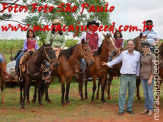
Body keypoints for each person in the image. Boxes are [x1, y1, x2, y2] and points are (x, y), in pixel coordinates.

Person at [102, 40, 140, 115]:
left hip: (133, 76)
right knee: (122, 93)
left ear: (134, 46)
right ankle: (121, 109)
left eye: (131, 45)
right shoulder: (123, 54)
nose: (129, 46)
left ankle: (129, 108)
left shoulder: (137, 54)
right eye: (128, 44)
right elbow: (116, 60)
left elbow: (138, 65)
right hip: (124, 76)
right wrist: (107, 63)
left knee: (131, 93)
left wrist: (137, 74)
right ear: (127, 46)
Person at [140, 42, 154, 116]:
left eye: (146, 47)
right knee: (145, 94)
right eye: (144, 47)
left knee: (149, 93)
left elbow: (154, 68)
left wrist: (151, 78)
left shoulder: (152, 56)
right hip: (142, 77)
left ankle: (151, 109)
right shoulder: (141, 56)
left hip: (149, 77)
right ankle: (147, 107)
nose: (145, 48)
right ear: (142, 48)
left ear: (149, 47)